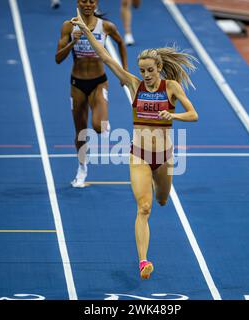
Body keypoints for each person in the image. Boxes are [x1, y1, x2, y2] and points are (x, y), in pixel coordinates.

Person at [71, 9, 199, 279]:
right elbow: (106, 57)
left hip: (163, 157)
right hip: (138, 155)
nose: (146, 75)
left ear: (159, 69)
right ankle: (143, 261)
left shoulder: (172, 87)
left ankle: (158, 186)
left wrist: (172, 114)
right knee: (144, 207)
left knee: (163, 200)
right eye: (142, 70)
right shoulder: (134, 84)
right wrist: (84, 29)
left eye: (150, 71)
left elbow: (193, 115)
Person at [55, 0, 128, 188]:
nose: (87, 4)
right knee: (80, 132)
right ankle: (82, 168)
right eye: (83, 1)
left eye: (91, 1)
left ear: (96, 3)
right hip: (77, 84)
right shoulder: (68, 26)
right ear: (78, 3)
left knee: (97, 126)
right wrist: (73, 41)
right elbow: (58, 58)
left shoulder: (106, 26)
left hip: (98, 82)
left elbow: (121, 43)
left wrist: (124, 72)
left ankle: (104, 121)